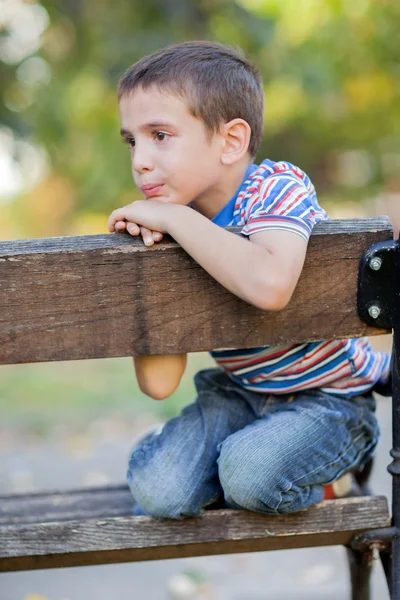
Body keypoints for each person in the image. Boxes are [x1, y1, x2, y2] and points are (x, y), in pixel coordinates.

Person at [107, 41, 391, 519]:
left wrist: (177, 222)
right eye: (132, 140)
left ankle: (329, 471)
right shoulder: (171, 220)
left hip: (328, 400)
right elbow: (159, 383)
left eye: (160, 135)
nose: (139, 160)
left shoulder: (276, 187)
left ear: (231, 141)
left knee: (248, 474)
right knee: (160, 492)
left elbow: (270, 286)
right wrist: (152, 257)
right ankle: (205, 457)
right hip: (239, 394)